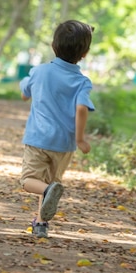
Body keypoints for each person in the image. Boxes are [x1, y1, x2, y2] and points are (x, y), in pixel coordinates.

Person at [19, 20, 95, 238]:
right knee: (52, 184)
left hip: (38, 139)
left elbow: (25, 93)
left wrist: (25, 84)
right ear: (85, 53)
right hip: (64, 145)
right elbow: (82, 108)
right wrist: (80, 139)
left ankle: (46, 195)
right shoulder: (82, 81)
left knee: (29, 182)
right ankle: (41, 225)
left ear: (53, 45)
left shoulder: (39, 71)